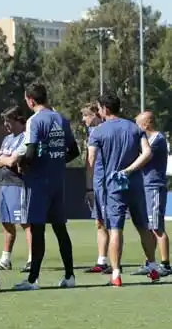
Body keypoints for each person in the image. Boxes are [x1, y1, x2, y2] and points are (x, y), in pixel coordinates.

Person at [87, 94, 160, 286]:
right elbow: (147, 153)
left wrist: (92, 183)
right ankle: (153, 266)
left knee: (115, 229)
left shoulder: (98, 131)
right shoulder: (135, 128)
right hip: (134, 184)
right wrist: (129, 170)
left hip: (113, 186)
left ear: (105, 109)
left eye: (99, 108)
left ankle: (116, 274)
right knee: (143, 226)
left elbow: (91, 160)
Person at [14, 83, 80, 291]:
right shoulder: (60, 118)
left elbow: (31, 152)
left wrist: (21, 165)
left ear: (31, 100)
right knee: (60, 229)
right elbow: (74, 150)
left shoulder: (34, 121)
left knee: (37, 229)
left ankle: (33, 280)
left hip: (39, 183)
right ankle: (70, 276)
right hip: (57, 181)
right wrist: (56, 161)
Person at [0, 106, 32, 272]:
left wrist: (4, 159)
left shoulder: (25, 137)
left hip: (19, 184)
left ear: (18, 120)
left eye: (8, 121)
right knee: (6, 223)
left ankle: (32, 259)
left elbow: (12, 162)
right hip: (4, 184)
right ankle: (5, 259)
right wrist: (5, 159)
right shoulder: (7, 139)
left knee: (26, 223)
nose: (6, 125)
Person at [135, 111, 171, 276]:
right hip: (145, 187)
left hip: (154, 187)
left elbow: (143, 157)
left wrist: (127, 170)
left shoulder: (158, 139)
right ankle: (151, 263)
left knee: (157, 227)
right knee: (149, 228)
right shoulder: (148, 140)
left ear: (146, 123)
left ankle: (165, 265)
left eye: (138, 124)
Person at [81, 103, 111, 274]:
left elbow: (92, 160)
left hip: (106, 182)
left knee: (110, 222)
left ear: (96, 114)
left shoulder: (103, 131)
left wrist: (90, 186)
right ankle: (102, 261)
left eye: (86, 115)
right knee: (99, 222)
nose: (83, 119)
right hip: (97, 183)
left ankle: (114, 261)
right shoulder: (92, 133)